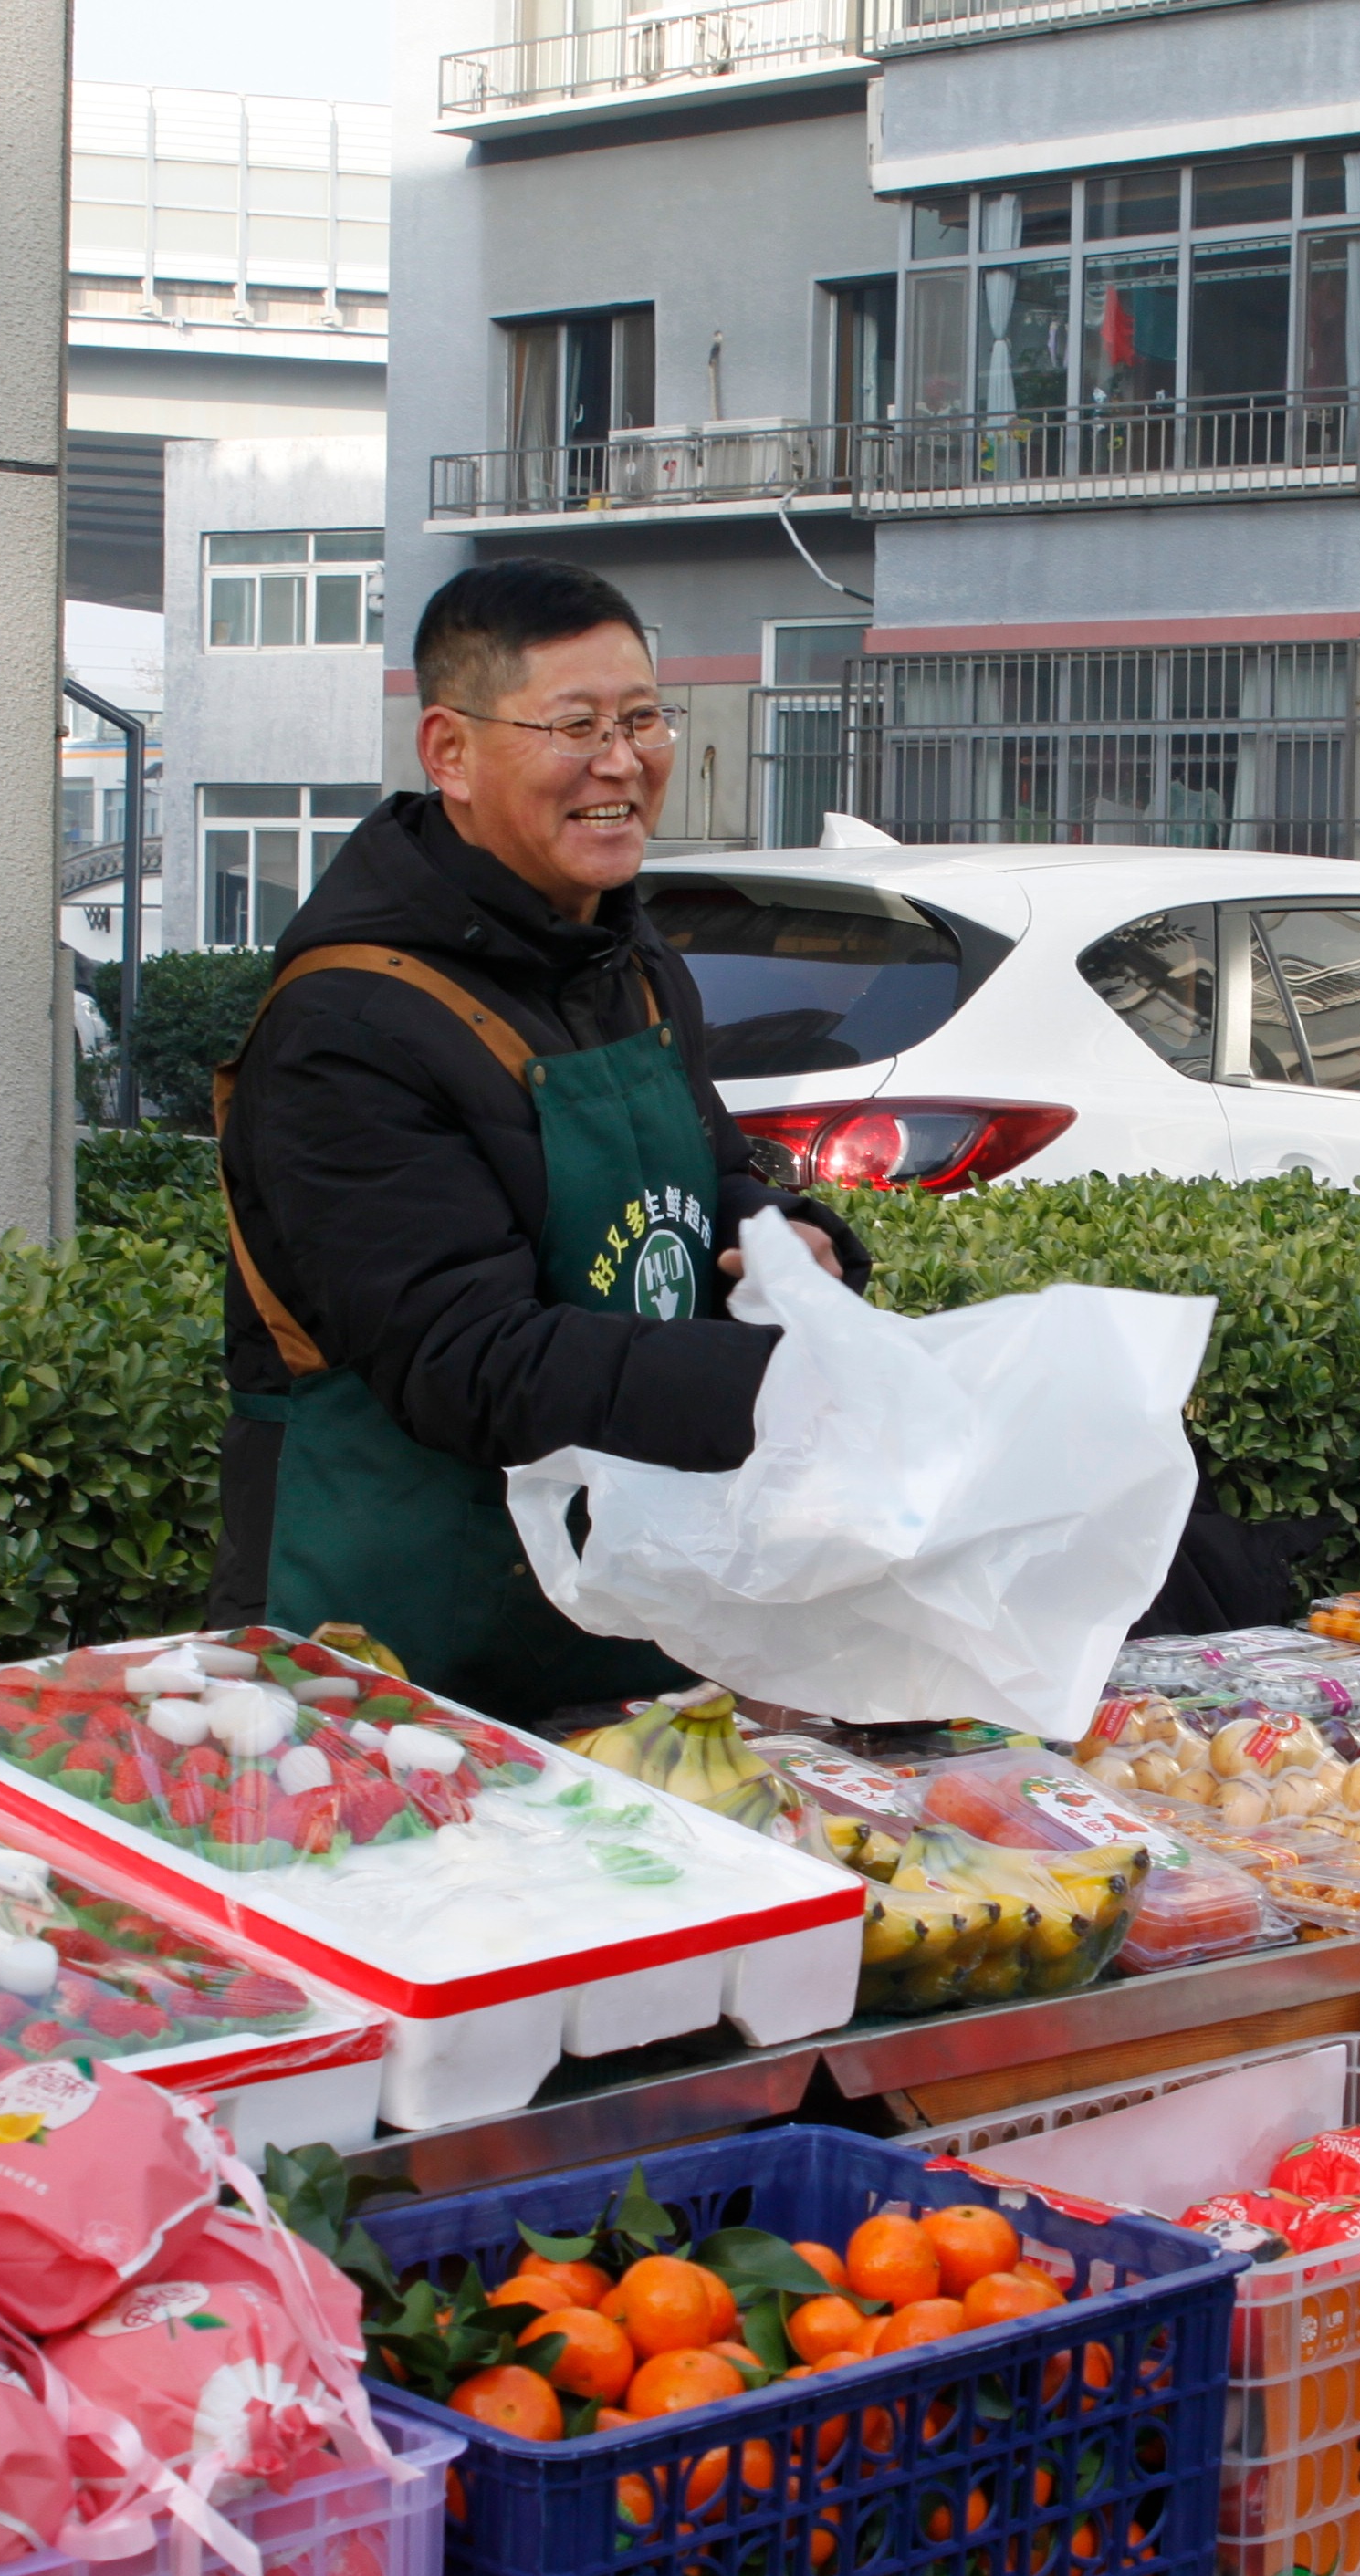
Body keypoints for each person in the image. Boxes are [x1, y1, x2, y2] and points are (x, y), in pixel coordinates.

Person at [207, 558, 870, 1718]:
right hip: (396, 1657)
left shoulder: (630, 956)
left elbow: (705, 1175)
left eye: (643, 719)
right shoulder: (348, 1022)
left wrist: (787, 1240)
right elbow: (461, 1358)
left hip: (629, 1617)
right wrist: (791, 1387)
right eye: (575, 727)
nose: (622, 762)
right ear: (451, 753)